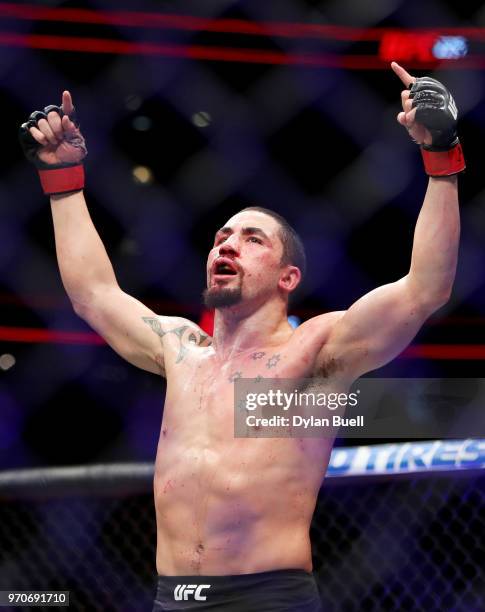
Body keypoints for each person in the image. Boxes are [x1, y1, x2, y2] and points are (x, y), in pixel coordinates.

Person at [19, 62, 464, 611]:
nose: (227, 246)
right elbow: (93, 295)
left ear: (288, 278)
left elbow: (425, 290)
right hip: (172, 598)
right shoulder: (181, 349)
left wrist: (441, 157)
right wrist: (63, 181)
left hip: (269, 597)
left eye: (252, 240)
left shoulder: (316, 351)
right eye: (222, 237)